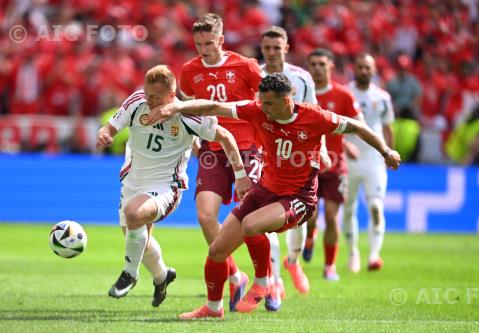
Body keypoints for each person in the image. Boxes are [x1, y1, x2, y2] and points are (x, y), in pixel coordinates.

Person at [145, 73, 401, 319]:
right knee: (216, 251)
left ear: (286, 100)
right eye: (262, 102)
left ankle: (263, 283)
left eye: (269, 103)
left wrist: (386, 150)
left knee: (251, 225)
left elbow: (356, 125)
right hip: (265, 191)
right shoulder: (258, 109)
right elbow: (214, 106)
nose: (263, 108)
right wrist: (178, 106)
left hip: (298, 198)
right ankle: (213, 308)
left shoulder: (315, 117)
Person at [96, 65, 252, 308]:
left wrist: (240, 174)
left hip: (167, 186)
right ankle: (162, 276)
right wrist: (105, 134)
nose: (148, 100)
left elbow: (225, 137)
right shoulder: (137, 101)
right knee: (137, 238)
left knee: (134, 215)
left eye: (155, 97)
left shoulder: (188, 116)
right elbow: (111, 126)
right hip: (132, 182)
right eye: (147, 94)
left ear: (171, 95)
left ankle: (129, 273)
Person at [179, 13, 263, 311]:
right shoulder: (189, 71)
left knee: (252, 219)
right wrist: (193, 141)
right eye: (199, 43)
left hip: (248, 149)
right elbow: (188, 112)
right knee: (205, 216)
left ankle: (268, 279)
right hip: (213, 149)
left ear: (221, 40)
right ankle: (234, 273)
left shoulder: (245, 66)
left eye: (209, 43)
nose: (204, 49)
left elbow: (269, 101)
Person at [259, 26, 319, 302]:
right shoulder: (255, 75)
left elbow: (317, 117)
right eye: (266, 48)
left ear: (286, 47)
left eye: (276, 48)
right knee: (265, 220)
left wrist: (325, 151)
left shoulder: (303, 79)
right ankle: (275, 281)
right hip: (264, 153)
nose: (271, 53)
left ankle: (292, 262)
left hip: (298, 156)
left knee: (297, 219)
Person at [303, 48, 362, 281]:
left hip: (336, 165)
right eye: (313, 64)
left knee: (330, 217)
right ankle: (309, 237)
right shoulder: (301, 92)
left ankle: (329, 266)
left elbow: (357, 124)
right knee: (311, 216)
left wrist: (347, 145)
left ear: (331, 67)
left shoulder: (343, 95)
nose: (317, 68)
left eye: (321, 64)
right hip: (308, 163)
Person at [342, 53, 395, 272]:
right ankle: (353, 252)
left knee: (375, 206)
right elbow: (336, 125)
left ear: (374, 71)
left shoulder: (382, 97)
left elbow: (388, 128)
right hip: (348, 159)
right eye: (361, 67)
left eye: (368, 68)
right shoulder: (346, 93)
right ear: (355, 68)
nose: (364, 71)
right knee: (348, 207)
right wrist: (344, 146)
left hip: (374, 160)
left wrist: (388, 154)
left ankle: (374, 255)